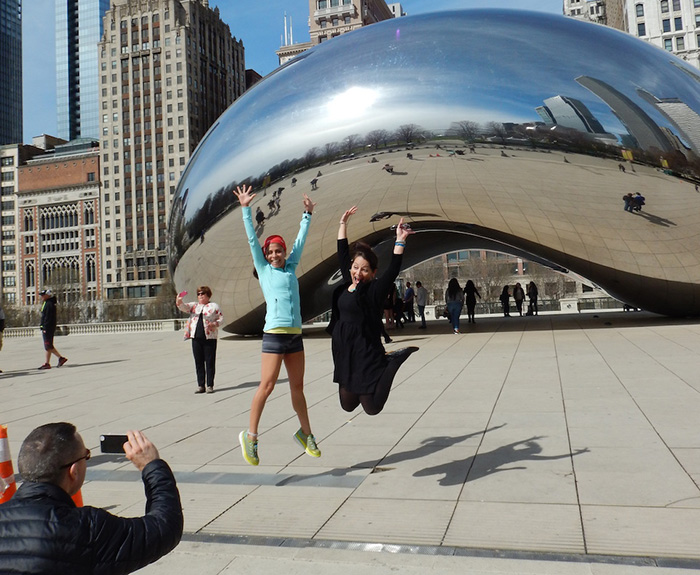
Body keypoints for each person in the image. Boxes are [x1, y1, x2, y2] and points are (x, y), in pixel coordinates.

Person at [0, 423, 183, 574]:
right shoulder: (88, 527)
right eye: (86, 456)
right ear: (74, 471)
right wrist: (151, 465)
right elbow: (164, 528)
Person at [233, 185, 320, 466]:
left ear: (284, 252)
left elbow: (301, 242)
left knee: (298, 387)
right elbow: (250, 241)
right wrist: (245, 209)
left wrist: (307, 215)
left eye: (278, 251)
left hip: (295, 336)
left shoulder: (291, 266)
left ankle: (306, 433)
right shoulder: (264, 269)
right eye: (270, 251)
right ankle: (251, 436)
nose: (274, 255)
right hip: (274, 335)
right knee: (267, 385)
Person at [327, 206, 418, 416]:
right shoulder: (347, 282)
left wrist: (400, 240)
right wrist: (343, 224)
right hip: (344, 354)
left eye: (365, 269)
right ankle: (388, 363)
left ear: (372, 272)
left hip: (365, 351)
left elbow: (393, 269)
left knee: (372, 407)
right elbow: (342, 253)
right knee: (347, 404)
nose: (358, 273)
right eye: (356, 267)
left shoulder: (373, 291)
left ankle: (392, 362)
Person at [176, 286, 224, 394]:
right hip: (196, 338)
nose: (200, 296)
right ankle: (201, 385)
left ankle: (210, 385)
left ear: (208, 295)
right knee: (198, 362)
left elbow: (221, 318)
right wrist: (179, 301)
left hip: (209, 337)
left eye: (202, 294)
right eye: (199, 294)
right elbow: (184, 307)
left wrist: (214, 324)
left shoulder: (214, 306)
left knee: (210, 362)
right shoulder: (194, 306)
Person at [38, 289, 67, 370]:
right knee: (48, 346)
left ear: (48, 295)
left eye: (43, 295)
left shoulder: (49, 304)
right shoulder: (47, 303)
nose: (41, 297)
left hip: (48, 328)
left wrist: (44, 327)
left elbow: (48, 317)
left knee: (48, 345)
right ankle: (48, 362)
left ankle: (60, 358)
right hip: (48, 327)